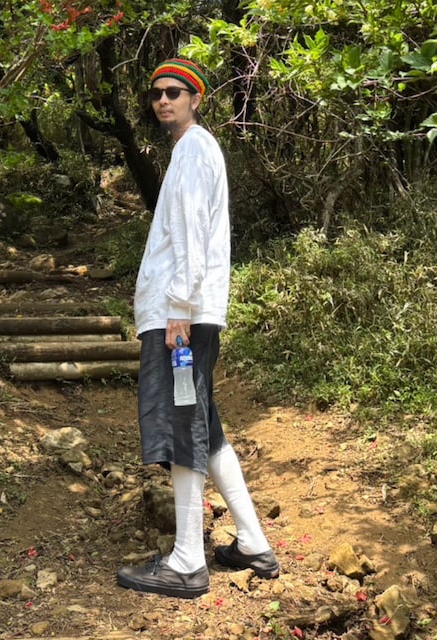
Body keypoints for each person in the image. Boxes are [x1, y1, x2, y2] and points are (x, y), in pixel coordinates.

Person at [117, 58, 279, 599]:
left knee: (182, 424)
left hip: (180, 318)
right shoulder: (195, 149)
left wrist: (179, 309)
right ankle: (253, 542)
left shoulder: (192, 148)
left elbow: (190, 232)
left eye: (174, 92)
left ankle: (187, 561)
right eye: (156, 93)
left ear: (195, 98)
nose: (163, 100)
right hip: (186, 314)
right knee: (203, 423)